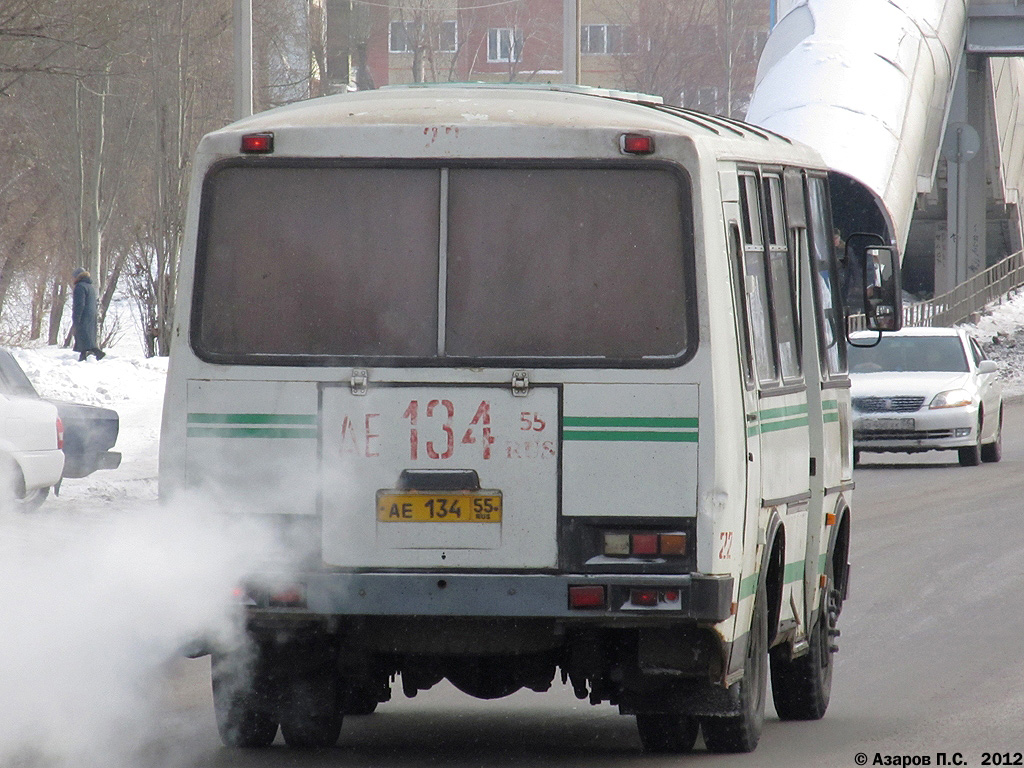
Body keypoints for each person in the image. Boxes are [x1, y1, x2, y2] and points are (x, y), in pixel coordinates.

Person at [71, 267, 105, 361]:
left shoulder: (80, 287)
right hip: (91, 315)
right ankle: (83, 357)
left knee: (83, 337)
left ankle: (98, 354)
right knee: (86, 338)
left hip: (84, 315)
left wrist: (76, 318)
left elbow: (79, 304)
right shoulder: (90, 287)